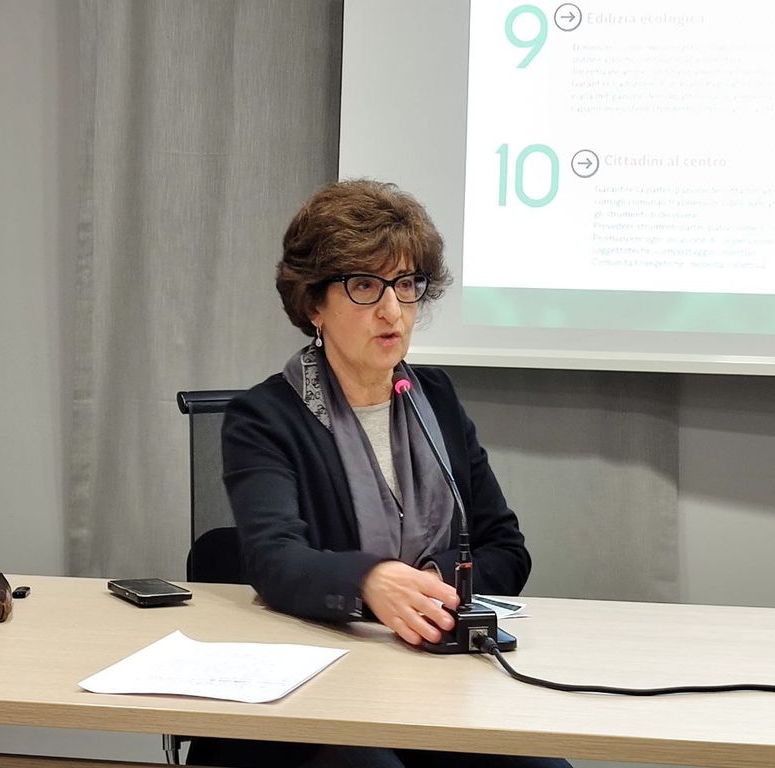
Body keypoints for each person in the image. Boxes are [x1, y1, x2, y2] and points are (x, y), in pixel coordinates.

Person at [186, 180, 569, 768]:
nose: (393, 310)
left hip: (433, 678)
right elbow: (273, 559)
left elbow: (506, 550)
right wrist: (370, 582)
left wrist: (428, 589)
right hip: (317, 696)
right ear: (314, 304)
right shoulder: (264, 417)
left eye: (406, 284)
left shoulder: (435, 398)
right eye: (365, 286)